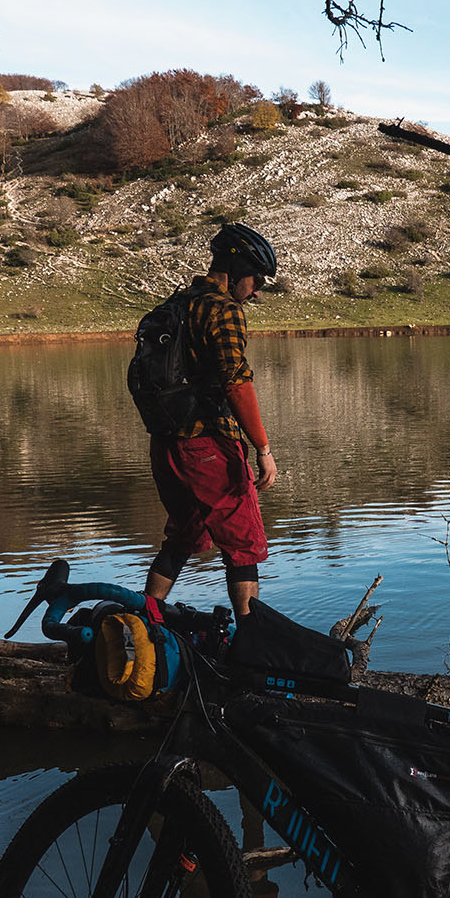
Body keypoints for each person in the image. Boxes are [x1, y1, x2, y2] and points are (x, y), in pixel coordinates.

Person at [141, 222, 280, 619]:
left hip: (165, 443)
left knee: (183, 535)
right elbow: (236, 383)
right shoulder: (223, 310)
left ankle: (147, 619)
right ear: (236, 272)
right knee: (244, 542)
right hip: (208, 444)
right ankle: (251, 641)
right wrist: (263, 449)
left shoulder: (174, 304)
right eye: (256, 281)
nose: (256, 292)